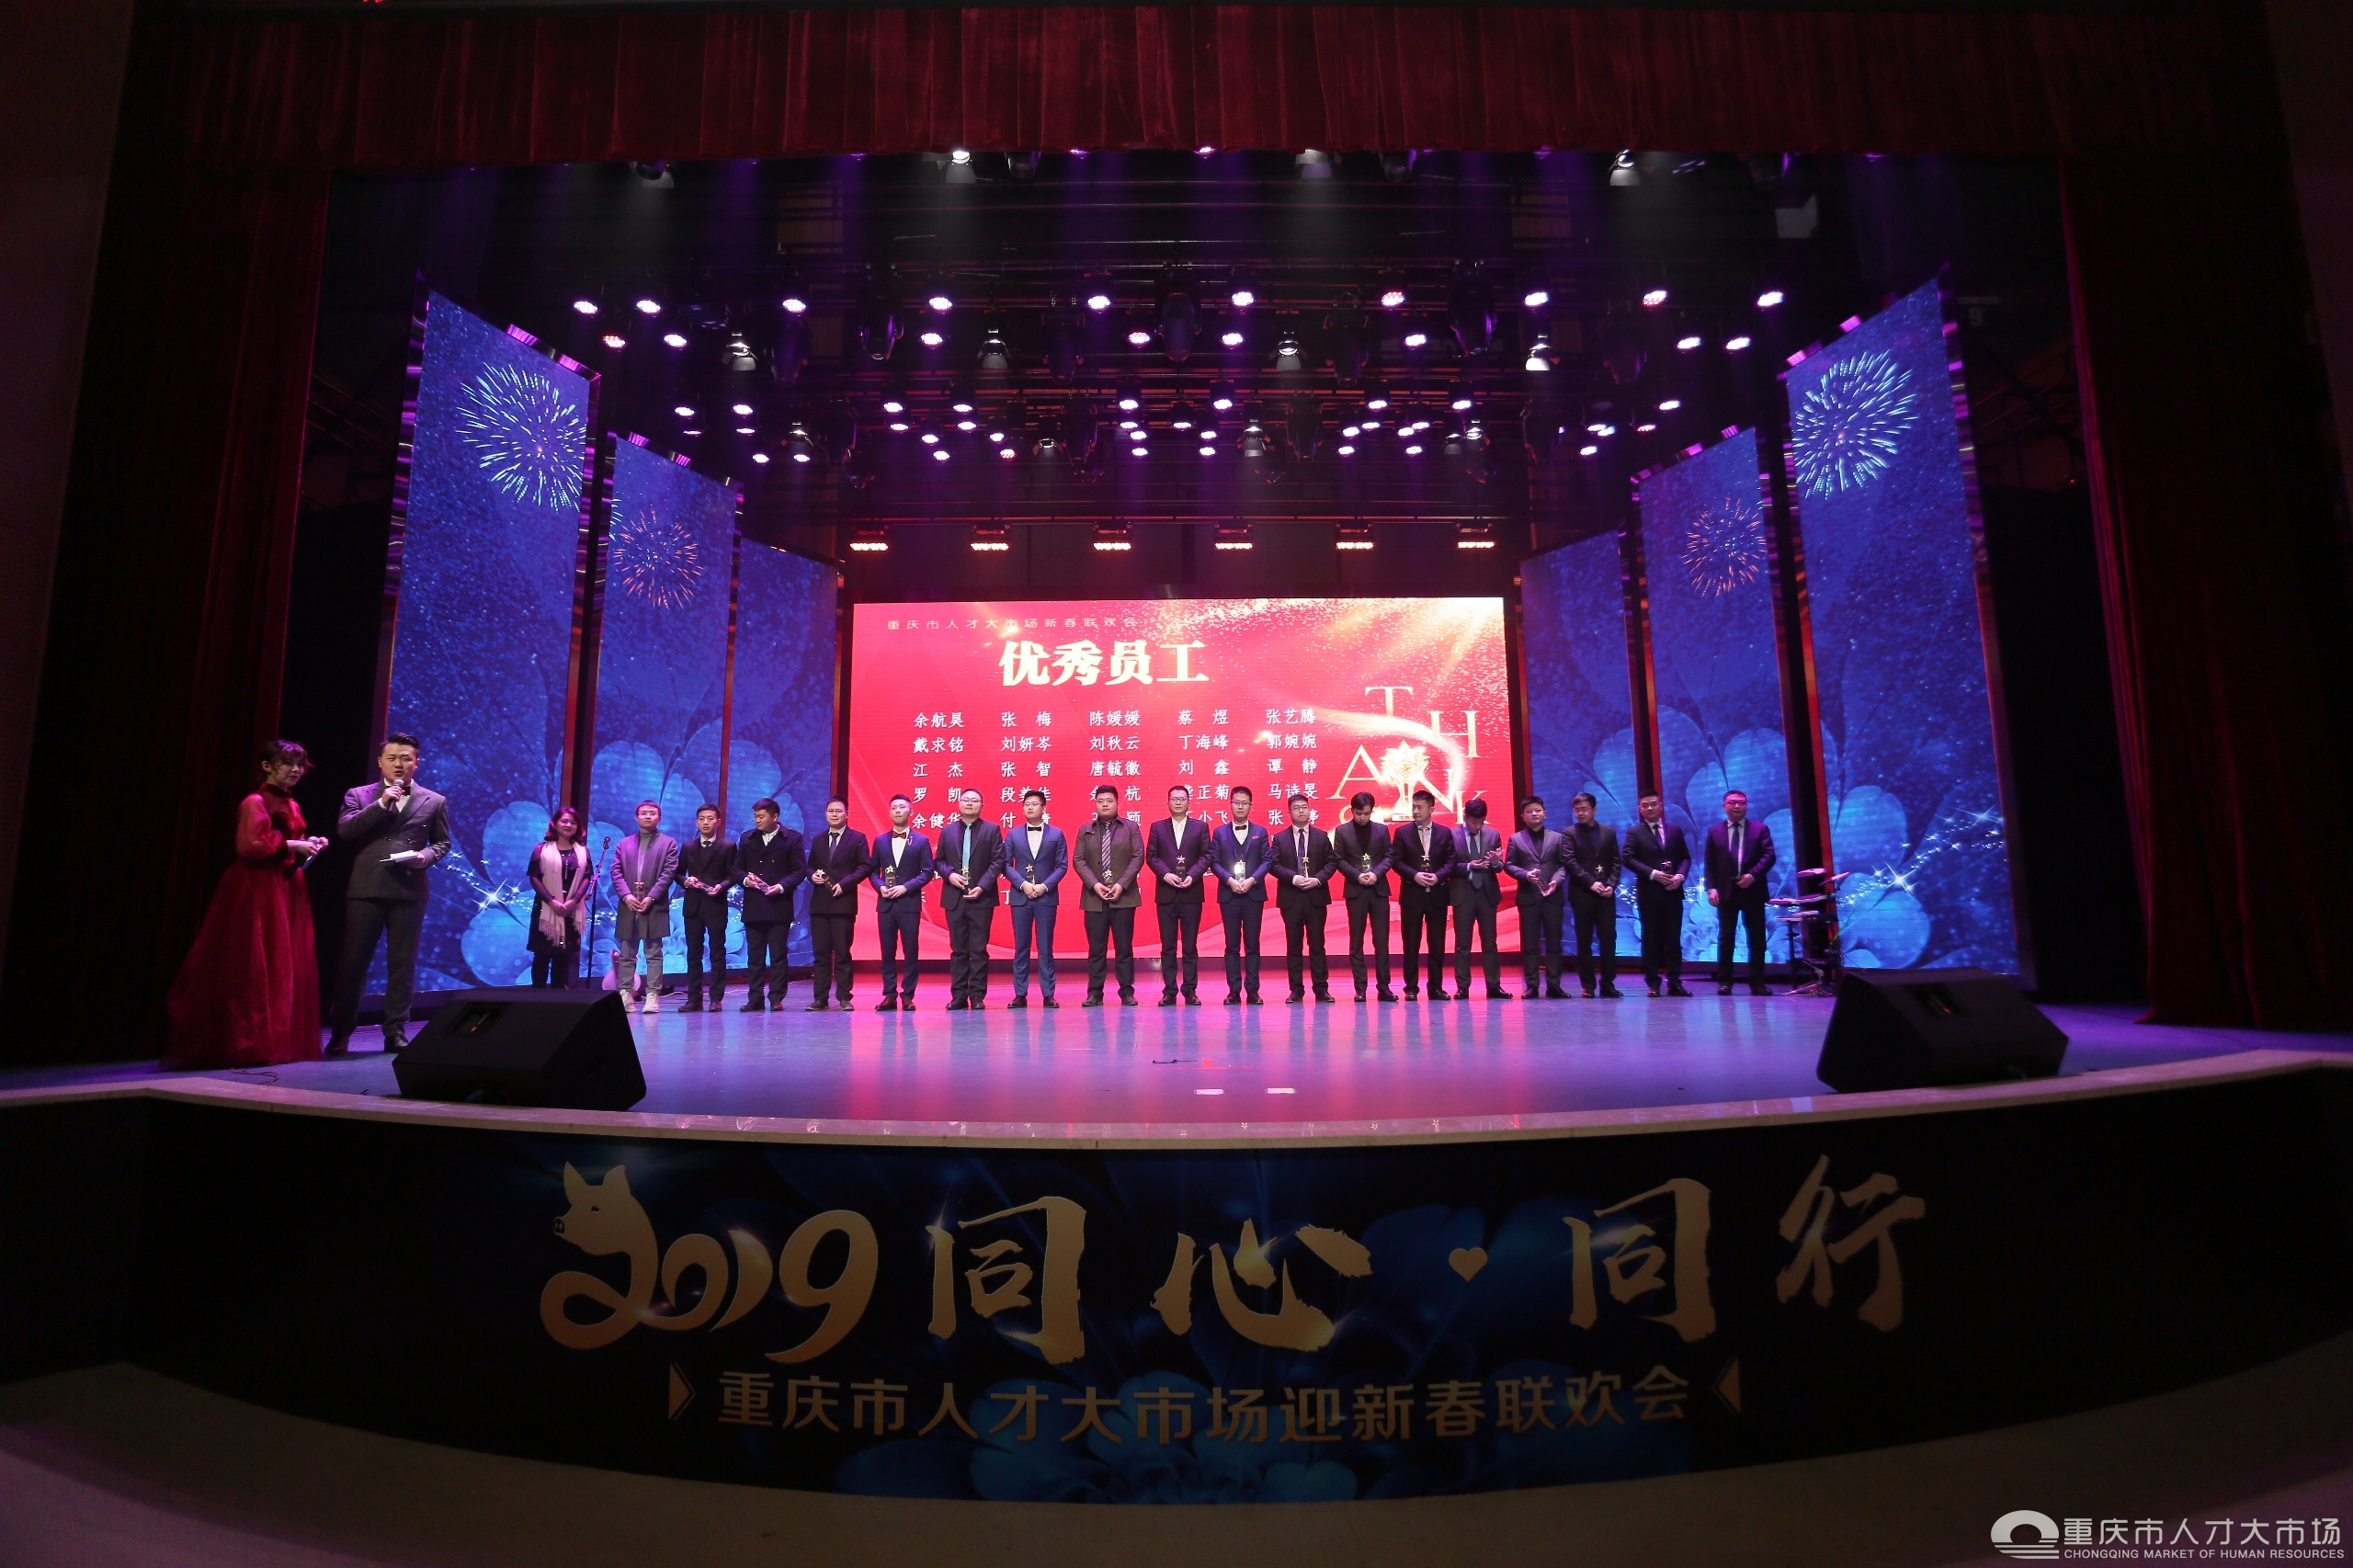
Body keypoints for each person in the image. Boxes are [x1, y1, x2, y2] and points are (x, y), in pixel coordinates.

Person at [164, 738, 329, 1068]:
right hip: (257, 887)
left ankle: (276, 1039)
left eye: (299, 764)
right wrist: (292, 844)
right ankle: (247, 1042)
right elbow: (250, 846)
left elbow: (286, 843)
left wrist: (308, 844)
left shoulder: (292, 804)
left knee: (281, 962)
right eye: (287, 763)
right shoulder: (255, 802)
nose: (295, 770)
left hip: (284, 886)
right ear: (267, 767)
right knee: (254, 962)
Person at [328, 733, 450, 1053]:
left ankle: (395, 1030)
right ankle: (341, 1031)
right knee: (354, 962)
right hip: (366, 886)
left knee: (402, 965)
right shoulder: (359, 794)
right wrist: (381, 804)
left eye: (406, 758)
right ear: (380, 762)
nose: (399, 764)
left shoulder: (434, 800)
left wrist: (425, 856)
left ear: (417, 762)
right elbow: (345, 830)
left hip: (409, 888)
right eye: (392, 758)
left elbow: (442, 843)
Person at [1074, 784, 1144, 1006]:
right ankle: (1095, 993)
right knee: (1096, 949)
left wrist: (1121, 885)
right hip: (1094, 898)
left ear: (1117, 803)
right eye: (1100, 801)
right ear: (1095, 804)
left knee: (1124, 948)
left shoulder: (1130, 827)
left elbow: (1138, 856)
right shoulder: (1085, 829)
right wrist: (1095, 885)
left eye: (1109, 800)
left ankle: (1127, 992)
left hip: (1124, 897)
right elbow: (1078, 860)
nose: (1104, 804)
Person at [938, 787, 1005, 1010]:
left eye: (974, 801)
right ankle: (958, 995)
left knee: (978, 950)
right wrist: (949, 874)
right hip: (954, 898)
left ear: (981, 806)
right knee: (958, 950)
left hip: (981, 899)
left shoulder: (991, 830)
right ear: (959, 804)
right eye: (965, 800)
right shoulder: (947, 831)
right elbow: (938, 861)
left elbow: (998, 861)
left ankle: (977, 995)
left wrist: (982, 886)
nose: (969, 803)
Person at [735, 798, 805, 1011]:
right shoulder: (747, 838)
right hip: (754, 905)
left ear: (775, 817)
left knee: (778, 955)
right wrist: (746, 881)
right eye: (755, 816)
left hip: (779, 905)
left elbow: (799, 871)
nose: (757, 820)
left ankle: (776, 997)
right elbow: (736, 869)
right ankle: (755, 998)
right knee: (755, 957)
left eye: (761, 816)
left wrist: (781, 886)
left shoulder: (792, 838)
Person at [1705, 789, 1777, 996]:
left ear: (1746, 806)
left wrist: (1752, 876)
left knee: (1757, 939)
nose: (1737, 806)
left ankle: (1757, 982)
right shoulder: (1714, 831)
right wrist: (1711, 888)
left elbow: (1769, 856)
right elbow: (1710, 863)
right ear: (1724, 806)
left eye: (1741, 803)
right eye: (1732, 802)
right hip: (1726, 892)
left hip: (1753, 890)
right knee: (1726, 938)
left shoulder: (1760, 829)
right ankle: (1725, 982)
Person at [611, 801, 680, 1014]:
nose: (648, 816)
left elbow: (668, 873)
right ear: (636, 817)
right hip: (628, 905)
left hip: (654, 905)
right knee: (626, 953)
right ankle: (625, 994)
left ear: (659, 818)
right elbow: (616, 872)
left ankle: (652, 995)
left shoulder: (668, 843)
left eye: (652, 813)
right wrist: (626, 896)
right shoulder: (624, 844)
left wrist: (651, 897)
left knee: (654, 953)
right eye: (643, 813)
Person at [1269, 793, 1337, 1004]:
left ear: (1310, 810)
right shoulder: (1280, 838)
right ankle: (1296, 990)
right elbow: (1273, 865)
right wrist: (1294, 878)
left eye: (1304, 807)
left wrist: (1318, 879)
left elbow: (1331, 863)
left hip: (1316, 897)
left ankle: (1321, 989)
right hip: (1291, 898)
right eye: (1296, 807)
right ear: (1289, 812)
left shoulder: (1321, 836)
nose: (1301, 811)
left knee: (1317, 945)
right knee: (1294, 947)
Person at [1147, 784, 1211, 1006]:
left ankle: (1190, 990)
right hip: (1166, 894)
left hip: (1191, 893)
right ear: (1168, 802)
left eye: (1182, 799)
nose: (1178, 802)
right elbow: (1151, 856)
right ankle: (1170, 991)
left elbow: (1206, 856)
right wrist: (1166, 875)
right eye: (1174, 799)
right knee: (1168, 946)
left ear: (1188, 802)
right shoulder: (1158, 827)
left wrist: (1192, 875)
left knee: (1190, 946)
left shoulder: (1200, 827)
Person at [1624, 793, 1693, 997]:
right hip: (1649, 893)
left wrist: (1680, 876)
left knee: (1673, 939)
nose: (1650, 808)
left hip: (1673, 892)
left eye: (1653, 804)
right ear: (1640, 809)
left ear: (1660, 806)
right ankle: (1653, 983)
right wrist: (1653, 874)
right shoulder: (1635, 832)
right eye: (1645, 805)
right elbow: (1628, 858)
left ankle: (1675, 982)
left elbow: (1685, 858)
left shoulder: (1675, 830)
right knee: (1651, 939)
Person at [803, 798, 869, 1010]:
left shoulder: (857, 838)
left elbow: (864, 867)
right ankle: (820, 998)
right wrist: (812, 876)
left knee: (842, 953)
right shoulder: (818, 839)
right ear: (825, 814)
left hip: (843, 903)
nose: (834, 814)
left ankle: (844, 997)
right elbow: (810, 866)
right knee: (820, 954)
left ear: (847, 814)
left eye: (838, 811)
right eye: (830, 811)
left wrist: (845, 884)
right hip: (820, 904)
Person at [870, 792, 934, 1010]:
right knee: (887, 951)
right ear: (889, 813)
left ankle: (908, 995)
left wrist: (906, 887)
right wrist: (880, 886)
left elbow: (927, 872)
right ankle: (889, 994)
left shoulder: (922, 841)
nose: (898, 811)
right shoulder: (880, 840)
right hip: (886, 904)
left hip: (909, 903)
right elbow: (872, 871)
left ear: (911, 812)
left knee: (910, 951)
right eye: (894, 808)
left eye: (902, 807)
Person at [1332, 791, 1396, 1002]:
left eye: (1366, 814)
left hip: (1378, 890)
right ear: (1352, 811)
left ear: (1372, 811)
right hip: (1355, 890)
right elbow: (1339, 860)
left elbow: (1389, 856)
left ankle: (1384, 987)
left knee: (1382, 941)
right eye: (1359, 813)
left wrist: (1376, 873)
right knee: (1356, 941)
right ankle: (1360, 987)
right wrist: (1357, 875)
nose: (1362, 817)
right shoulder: (1342, 831)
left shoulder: (1381, 830)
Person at [1005, 789, 1067, 1008]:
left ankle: (1048, 994)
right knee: (1021, 947)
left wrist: (1044, 886)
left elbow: (1062, 866)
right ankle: (1020, 993)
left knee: (1045, 947)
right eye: (1027, 804)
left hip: (1045, 898)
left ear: (1044, 808)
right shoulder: (1013, 834)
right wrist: (1022, 884)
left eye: (1034, 804)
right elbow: (1005, 865)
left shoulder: (1056, 834)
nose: (1030, 807)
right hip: (1020, 896)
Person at [1504, 795, 1570, 999]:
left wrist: (1556, 881)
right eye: (1529, 811)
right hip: (1528, 897)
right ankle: (1532, 985)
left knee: (1554, 943)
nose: (1534, 814)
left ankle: (1554, 985)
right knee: (1530, 945)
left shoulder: (1557, 838)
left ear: (1545, 813)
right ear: (1523, 816)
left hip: (1552, 896)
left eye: (1538, 810)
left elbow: (1565, 865)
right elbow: (1509, 865)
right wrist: (1525, 875)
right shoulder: (1516, 839)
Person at [1210, 785, 1270, 1005]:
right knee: (1232, 946)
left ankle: (1253, 990)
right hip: (1230, 895)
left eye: (1245, 803)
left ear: (1250, 806)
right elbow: (1214, 861)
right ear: (1230, 805)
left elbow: (1267, 860)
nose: (1240, 807)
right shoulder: (1219, 832)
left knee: (1253, 945)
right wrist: (1229, 880)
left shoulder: (1260, 831)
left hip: (1254, 895)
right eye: (1237, 803)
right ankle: (1233, 991)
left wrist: (1252, 879)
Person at [1396, 789, 1459, 999]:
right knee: (1411, 944)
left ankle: (1435, 987)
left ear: (1431, 809)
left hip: (1437, 895)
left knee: (1437, 944)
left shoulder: (1444, 833)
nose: (1415, 811)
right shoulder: (1402, 832)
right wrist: (1414, 875)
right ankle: (1411, 988)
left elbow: (1451, 861)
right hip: (1412, 895)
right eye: (1413, 807)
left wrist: (1438, 876)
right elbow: (1396, 861)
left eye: (1419, 807)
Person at [675, 804, 735, 1012]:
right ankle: (694, 998)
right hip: (693, 906)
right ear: (696, 822)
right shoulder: (688, 846)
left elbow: (733, 875)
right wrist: (685, 881)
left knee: (717, 953)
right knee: (694, 954)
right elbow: (678, 873)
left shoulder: (727, 846)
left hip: (716, 905)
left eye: (710, 818)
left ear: (718, 822)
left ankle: (716, 998)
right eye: (702, 818)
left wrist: (722, 886)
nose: (706, 822)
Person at [1564, 791, 1625, 998]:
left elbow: (1616, 862)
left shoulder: (1608, 832)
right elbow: (1570, 862)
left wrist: (1611, 885)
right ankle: (1588, 985)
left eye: (1584, 809)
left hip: (1606, 896)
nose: (1580, 813)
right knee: (1584, 941)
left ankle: (1608, 983)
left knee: (1608, 939)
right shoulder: (1569, 833)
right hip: (1582, 895)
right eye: (1577, 810)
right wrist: (1591, 883)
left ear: (1594, 810)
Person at [526, 805, 592, 989]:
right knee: (542, 954)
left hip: (571, 909)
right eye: (564, 821)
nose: (568, 825)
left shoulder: (583, 851)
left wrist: (573, 901)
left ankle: (558, 996)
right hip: (545, 908)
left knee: (563, 955)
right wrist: (552, 901)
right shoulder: (541, 849)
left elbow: (587, 877)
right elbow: (534, 877)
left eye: (573, 822)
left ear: (578, 827)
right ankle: (538, 996)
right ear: (554, 824)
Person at [1451, 798, 1509, 999]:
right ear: (1465, 816)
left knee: (1490, 943)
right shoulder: (1452, 835)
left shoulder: (1493, 835)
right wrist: (1469, 866)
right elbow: (1448, 865)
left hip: (1486, 894)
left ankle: (1494, 986)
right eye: (1474, 822)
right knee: (1463, 944)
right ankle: (1463, 987)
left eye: (1481, 822)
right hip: (1463, 893)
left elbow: (1500, 867)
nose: (1477, 826)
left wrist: (1495, 863)